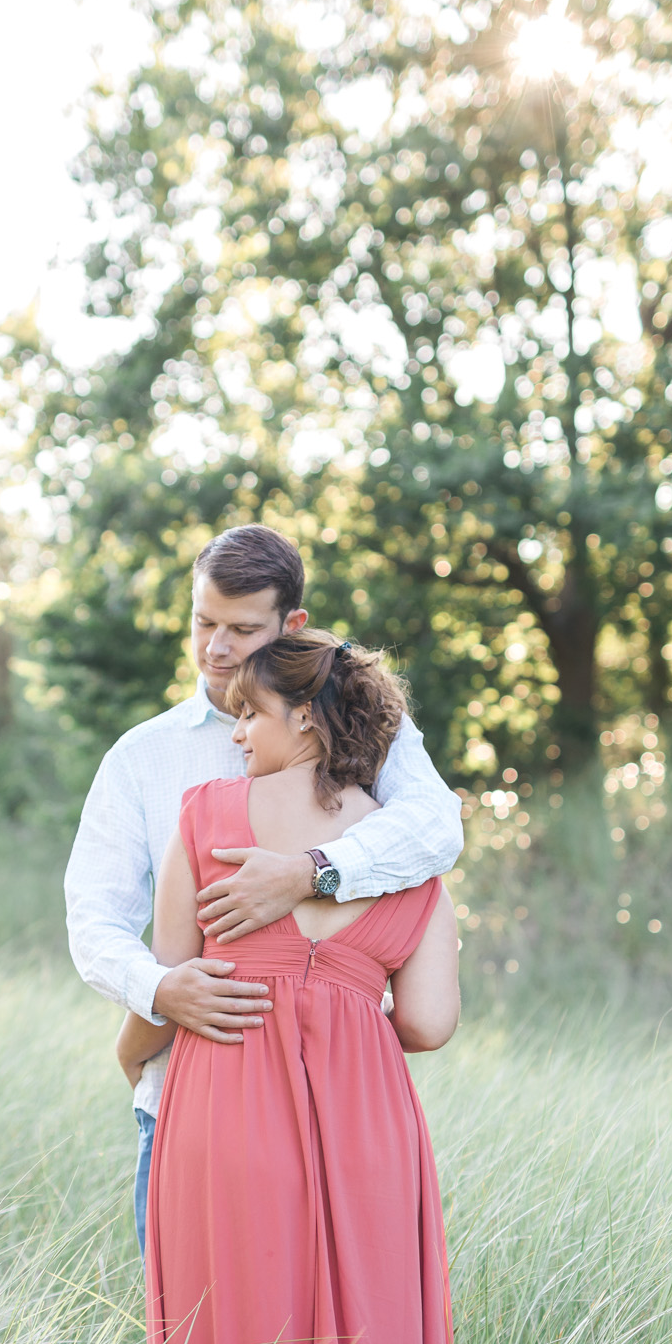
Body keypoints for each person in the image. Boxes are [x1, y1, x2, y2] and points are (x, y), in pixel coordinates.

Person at [116, 630, 460, 1344]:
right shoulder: (413, 854)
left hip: (226, 1105)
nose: (234, 736)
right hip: (369, 1125)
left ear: (305, 716)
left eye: (249, 716)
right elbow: (428, 1022)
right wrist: (341, 1008)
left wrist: (128, 1049)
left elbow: (175, 974)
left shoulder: (207, 816)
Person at [64, 524, 464, 1255]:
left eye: (242, 629)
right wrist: (158, 989)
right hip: (190, 1089)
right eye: (202, 623)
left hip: (333, 1102)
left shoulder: (364, 733)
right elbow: (93, 917)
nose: (216, 648)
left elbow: (436, 828)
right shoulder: (143, 757)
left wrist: (311, 871)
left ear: (292, 625)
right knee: (204, 1337)